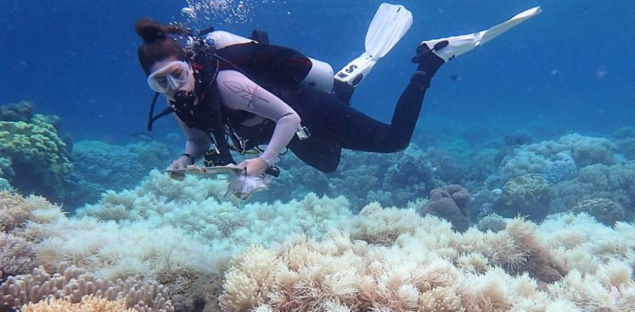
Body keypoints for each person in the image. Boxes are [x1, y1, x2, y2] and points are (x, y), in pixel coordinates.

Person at [135, 6, 541, 185]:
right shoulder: (178, 101)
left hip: (301, 111)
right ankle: (344, 86)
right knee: (328, 164)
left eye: (175, 75)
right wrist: (185, 158)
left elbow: (288, 119)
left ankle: (430, 61)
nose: (173, 87)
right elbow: (197, 138)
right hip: (283, 127)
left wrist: (262, 161)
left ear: (189, 63)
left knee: (394, 141)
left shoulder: (227, 84)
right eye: (160, 84)